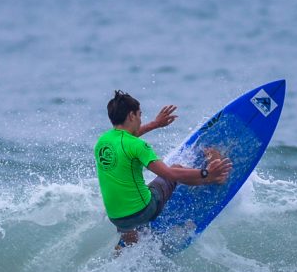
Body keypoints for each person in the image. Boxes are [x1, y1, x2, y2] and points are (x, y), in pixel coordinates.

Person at [94, 90, 232, 249]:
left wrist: (155, 124)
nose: (140, 120)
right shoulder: (138, 146)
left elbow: (128, 137)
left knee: (129, 220)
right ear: (131, 116)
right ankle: (213, 179)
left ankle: (127, 242)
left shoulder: (102, 142)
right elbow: (169, 173)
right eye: (139, 115)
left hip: (117, 218)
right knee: (176, 168)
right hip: (143, 211)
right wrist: (205, 173)